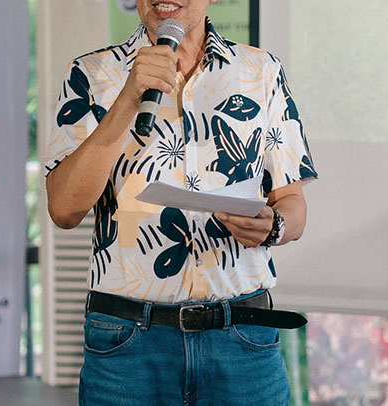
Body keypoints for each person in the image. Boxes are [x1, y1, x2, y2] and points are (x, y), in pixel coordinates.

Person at [44, 0, 318, 403]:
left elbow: (293, 205)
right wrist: (128, 99)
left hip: (242, 341)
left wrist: (273, 226)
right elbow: (64, 210)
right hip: (127, 345)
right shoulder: (91, 73)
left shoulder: (261, 71)